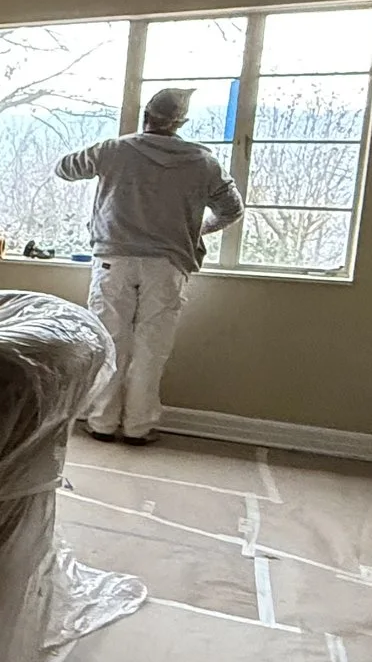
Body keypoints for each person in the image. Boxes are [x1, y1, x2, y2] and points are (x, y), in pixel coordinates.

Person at [54, 86, 243, 445]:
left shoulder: (114, 150)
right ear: (181, 122)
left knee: (110, 341)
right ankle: (138, 427)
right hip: (168, 265)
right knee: (151, 347)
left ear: (146, 115)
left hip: (114, 260)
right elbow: (232, 210)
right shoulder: (203, 162)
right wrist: (199, 228)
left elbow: (64, 168)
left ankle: (101, 422)